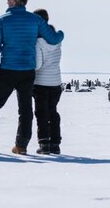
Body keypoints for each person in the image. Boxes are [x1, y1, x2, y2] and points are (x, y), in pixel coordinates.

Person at [0, 0, 64, 155]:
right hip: (27, 71)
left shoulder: (2, 20)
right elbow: (53, 38)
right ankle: (21, 145)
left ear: (15, 0)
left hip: (8, 69)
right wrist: (62, 33)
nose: (7, 0)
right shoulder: (35, 20)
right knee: (25, 109)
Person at [33, 9, 63, 155]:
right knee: (53, 112)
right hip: (56, 82)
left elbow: (37, 65)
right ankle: (55, 144)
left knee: (42, 113)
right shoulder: (57, 40)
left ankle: (44, 143)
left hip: (41, 83)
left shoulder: (38, 42)